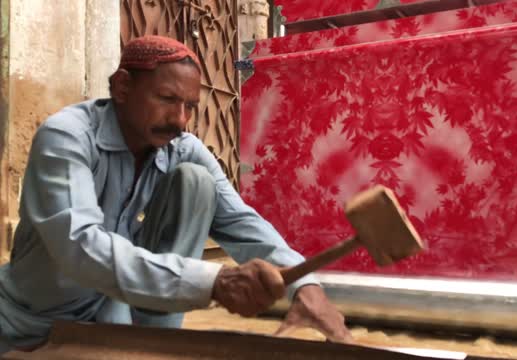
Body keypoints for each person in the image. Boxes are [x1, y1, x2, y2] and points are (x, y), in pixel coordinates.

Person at [0, 36, 352, 353]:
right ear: (122, 87)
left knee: (197, 182)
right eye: (167, 99)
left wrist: (306, 286)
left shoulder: (182, 148)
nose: (181, 119)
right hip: (28, 320)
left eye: (190, 106)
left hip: (107, 314)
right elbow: (80, 246)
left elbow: (244, 224)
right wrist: (214, 281)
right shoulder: (66, 137)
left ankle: (160, 341)